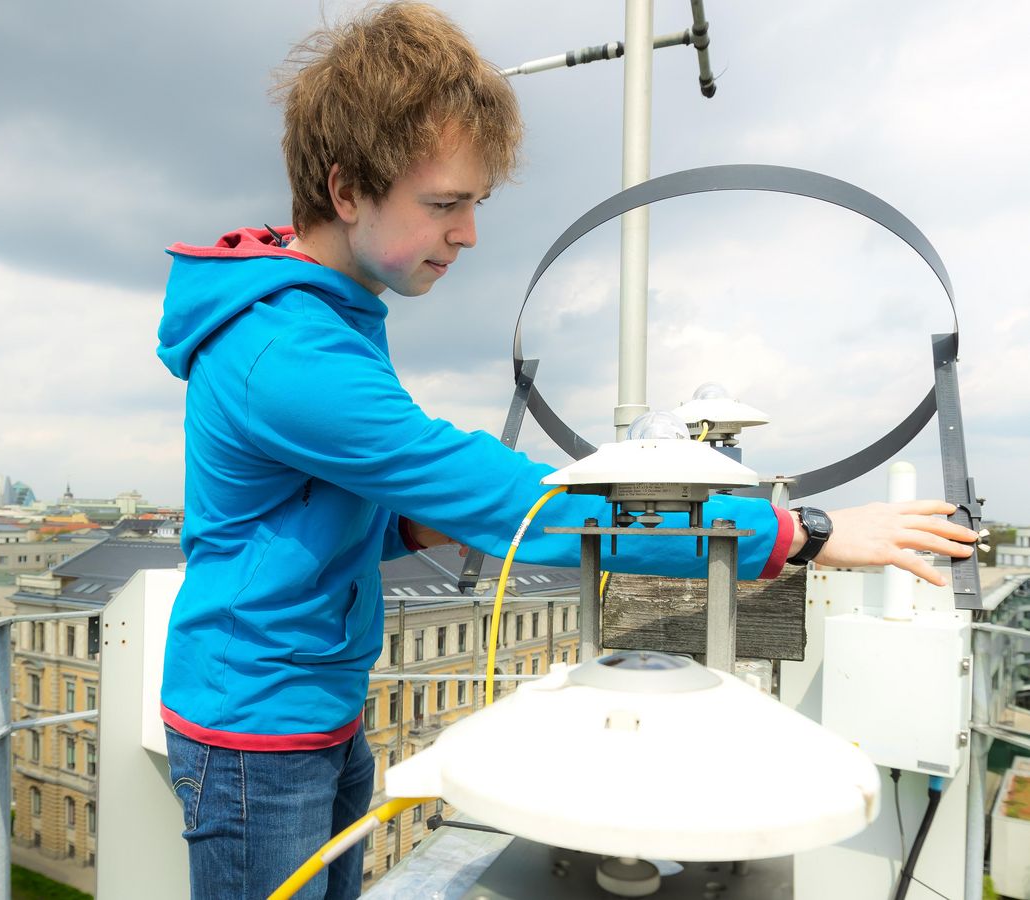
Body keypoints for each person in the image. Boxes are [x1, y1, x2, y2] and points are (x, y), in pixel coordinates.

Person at [155, 3, 978, 897]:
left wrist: (424, 523)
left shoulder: (319, 315)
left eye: (475, 203)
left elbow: (328, 513)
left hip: (311, 706)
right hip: (257, 733)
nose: (469, 233)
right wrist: (796, 533)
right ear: (347, 190)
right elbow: (527, 505)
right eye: (445, 204)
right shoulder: (290, 357)